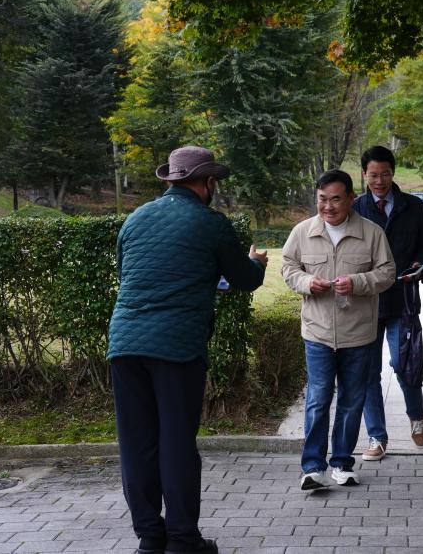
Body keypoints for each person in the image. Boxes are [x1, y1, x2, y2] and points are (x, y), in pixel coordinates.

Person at [108, 146, 268, 554]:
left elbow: (130, 275)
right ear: (208, 182)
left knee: (137, 443)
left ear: (172, 180)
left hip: (125, 344)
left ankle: (149, 538)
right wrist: (258, 263)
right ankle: (182, 539)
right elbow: (245, 279)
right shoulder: (210, 223)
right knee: (176, 443)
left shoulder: (136, 218)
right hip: (176, 348)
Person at [281, 169, 395, 490]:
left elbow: (387, 272)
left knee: (351, 399)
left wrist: (357, 282)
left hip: (358, 333)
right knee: (318, 398)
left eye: (335, 199)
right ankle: (313, 467)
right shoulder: (302, 232)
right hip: (317, 332)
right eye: (322, 199)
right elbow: (288, 267)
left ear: (350, 199)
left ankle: (342, 463)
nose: (328, 206)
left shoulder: (371, 233)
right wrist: (306, 282)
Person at [352, 145, 423, 461]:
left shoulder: (412, 206)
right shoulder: (357, 207)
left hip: (402, 297)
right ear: (364, 174)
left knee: (405, 362)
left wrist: (421, 266)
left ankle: (416, 414)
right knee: (367, 372)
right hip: (365, 302)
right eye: (373, 175)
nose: (379, 181)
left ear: (393, 172)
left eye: (385, 174)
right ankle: (377, 436)